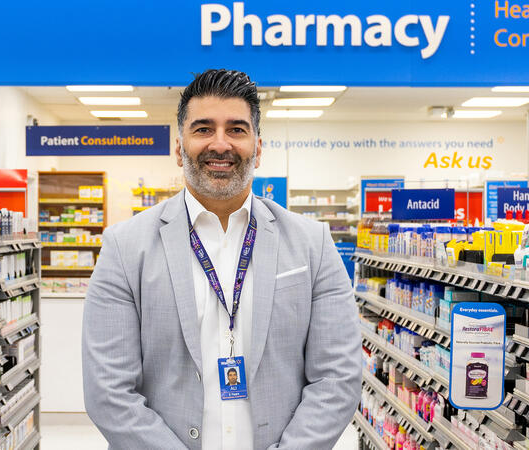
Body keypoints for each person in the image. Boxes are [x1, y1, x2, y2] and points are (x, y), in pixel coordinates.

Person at [82, 69, 362, 450]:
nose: (220, 144)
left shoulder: (312, 244)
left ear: (258, 148)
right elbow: (108, 392)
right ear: (179, 149)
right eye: (202, 129)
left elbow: (338, 377)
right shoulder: (125, 247)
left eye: (236, 129)